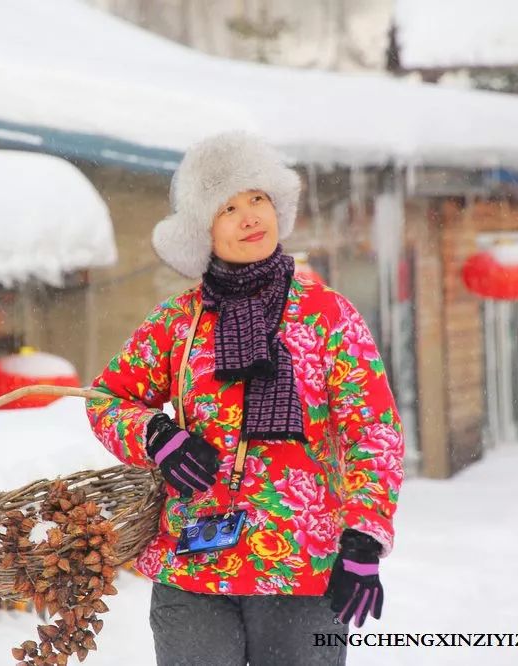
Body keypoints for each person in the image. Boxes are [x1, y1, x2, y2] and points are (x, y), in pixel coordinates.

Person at [85, 132, 404, 666]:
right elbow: (106, 399)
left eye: (257, 199)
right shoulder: (176, 323)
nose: (249, 217)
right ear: (202, 230)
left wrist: (365, 537)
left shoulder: (327, 315)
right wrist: (156, 437)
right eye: (227, 208)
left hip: (304, 569)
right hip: (193, 571)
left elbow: (373, 430)